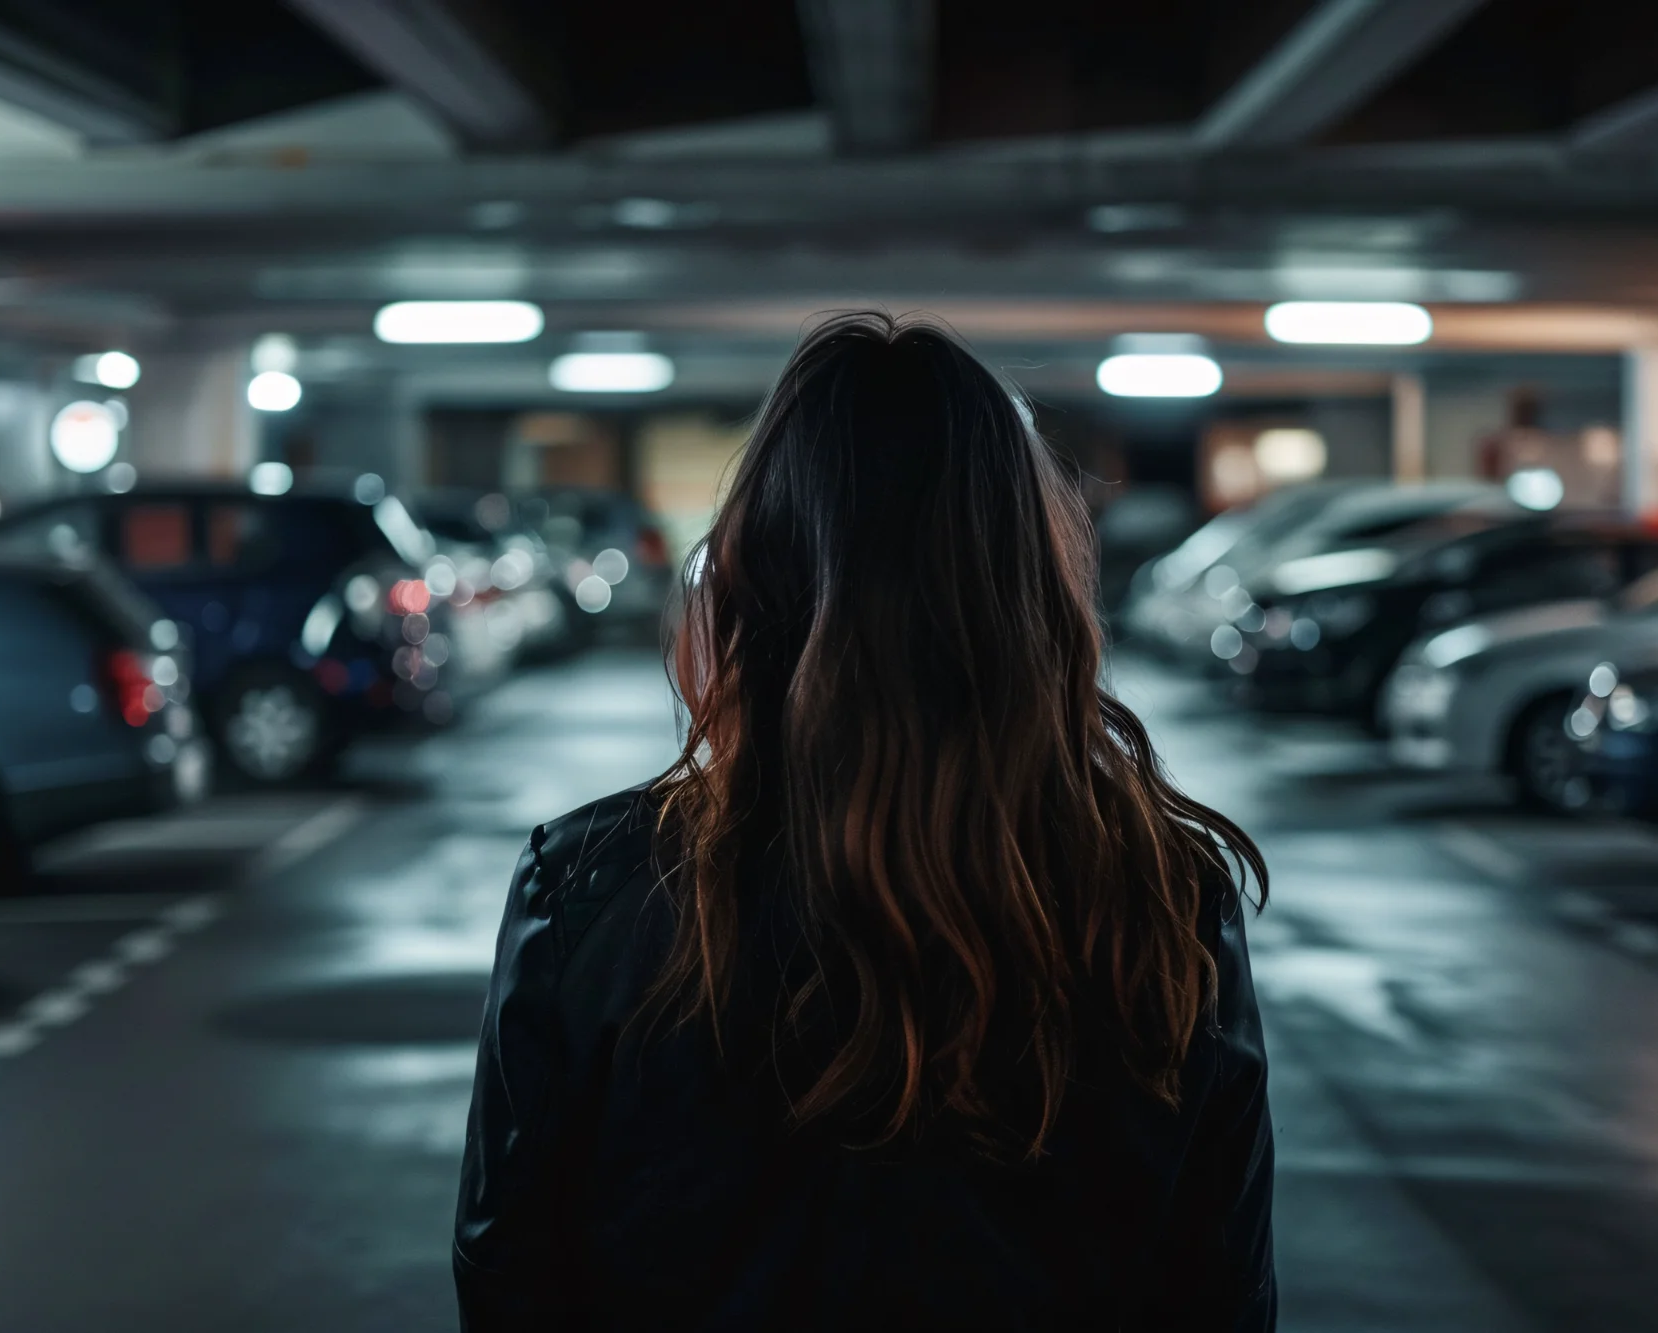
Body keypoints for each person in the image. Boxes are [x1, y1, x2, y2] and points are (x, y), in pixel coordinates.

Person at [453, 312, 1275, 1331]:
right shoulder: (1162, 891)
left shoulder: (593, 887)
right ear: (1030, 590)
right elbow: (1221, 1296)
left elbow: (511, 1279)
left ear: (752, 573)